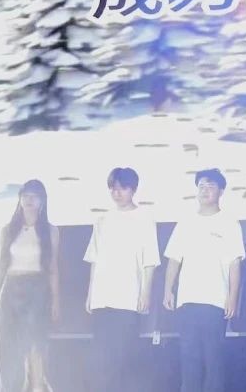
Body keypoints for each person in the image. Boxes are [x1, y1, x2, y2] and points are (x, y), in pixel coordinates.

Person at [163, 168, 245, 392]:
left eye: (210, 186)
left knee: (214, 360)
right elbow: (174, 259)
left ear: (221, 191)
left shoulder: (229, 223)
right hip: (187, 300)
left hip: (216, 301)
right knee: (189, 359)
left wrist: (233, 298)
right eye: (201, 186)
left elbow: (235, 264)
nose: (205, 190)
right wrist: (168, 290)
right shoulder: (186, 221)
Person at [83, 167, 160, 392]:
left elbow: (150, 260)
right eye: (113, 188)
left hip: (128, 297)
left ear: (133, 189)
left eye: (122, 188)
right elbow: (94, 259)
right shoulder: (102, 219)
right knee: (102, 357)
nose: (117, 193)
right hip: (102, 298)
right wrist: (90, 294)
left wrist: (145, 292)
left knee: (124, 356)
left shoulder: (144, 217)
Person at [0, 180, 60, 392]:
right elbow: (0, 265)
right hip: (11, 290)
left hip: (37, 291)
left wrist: (56, 301)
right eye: (25, 195)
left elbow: (53, 268)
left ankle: (37, 387)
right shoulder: (7, 230)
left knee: (35, 345)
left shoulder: (50, 231)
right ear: (19, 199)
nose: (29, 200)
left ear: (42, 201)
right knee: (8, 349)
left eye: (34, 196)